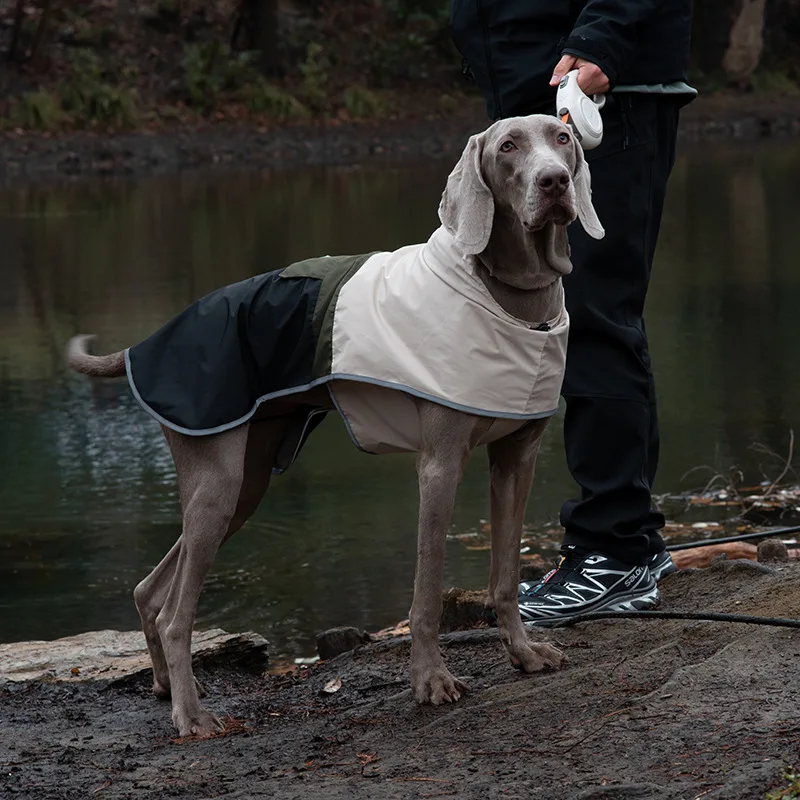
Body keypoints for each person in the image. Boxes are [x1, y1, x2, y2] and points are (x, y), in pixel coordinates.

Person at [449, 0, 696, 623]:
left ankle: (612, 551)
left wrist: (601, 40)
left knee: (592, 317)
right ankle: (630, 540)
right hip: (542, 100)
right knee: (593, 316)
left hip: (593, 95)